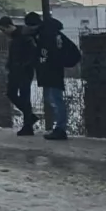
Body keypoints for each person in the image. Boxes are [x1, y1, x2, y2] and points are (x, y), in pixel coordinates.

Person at [26, 12, 72, 140]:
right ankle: (59, 128)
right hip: (52, 70)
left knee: (56, 99)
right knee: (54, 99)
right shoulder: (49, 32)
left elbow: (46, 53)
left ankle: (60, 129)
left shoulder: (46, 34)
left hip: (52, 71)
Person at [0, 15, 38, 136]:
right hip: (15, 71)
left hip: (24, 71)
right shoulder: (14, 37)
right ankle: (30, 117)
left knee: (25, 97)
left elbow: (32, 53)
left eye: (3, 30)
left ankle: (28, 126)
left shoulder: (24, 35)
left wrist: (24, 65)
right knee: (11, 93)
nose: (3, 33)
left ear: (9, 26)